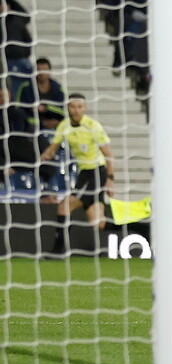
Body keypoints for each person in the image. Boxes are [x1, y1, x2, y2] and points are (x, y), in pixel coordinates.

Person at [40, 94, 115, 255]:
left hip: (96, 172)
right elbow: (53, 149)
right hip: (84, 174)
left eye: (79, 107)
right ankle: (143, 228)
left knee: (64, 206)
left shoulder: (92, 126)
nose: (76, 110)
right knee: (98, 223)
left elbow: (108, 154)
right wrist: (45, 155)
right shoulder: (64, 126)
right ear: (67, 108)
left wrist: (110, 179)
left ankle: (58, 251)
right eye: (73, 107)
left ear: (85, 108)